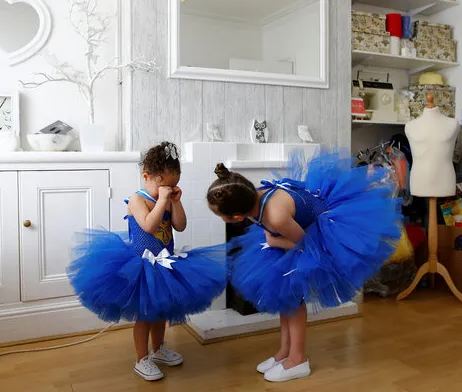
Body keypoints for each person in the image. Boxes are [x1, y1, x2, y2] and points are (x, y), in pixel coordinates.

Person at [207, 149, 401, 383]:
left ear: (236, 217)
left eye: (222, 217)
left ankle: (297, 359)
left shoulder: (275, 215)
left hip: (318, 236)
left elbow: (306, 244)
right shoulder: (251, 197)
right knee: (284, 298)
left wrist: (273, 240)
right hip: (292, 233)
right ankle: (284, 352)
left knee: (293, 301)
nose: (222, 220)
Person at [67, 142, 226, 381]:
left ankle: (159, 349)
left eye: (174, 185)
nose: (169, 190)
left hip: (165, 264)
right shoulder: (136, 200)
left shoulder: (168, 199)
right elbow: (149, 226)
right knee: (144, 315)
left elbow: (180, 226)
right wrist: (163, 200)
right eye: (166, 185)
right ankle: (142, 359)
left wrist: (176, 202)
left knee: (160, 310)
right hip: (140, 267)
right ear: (146, 177)